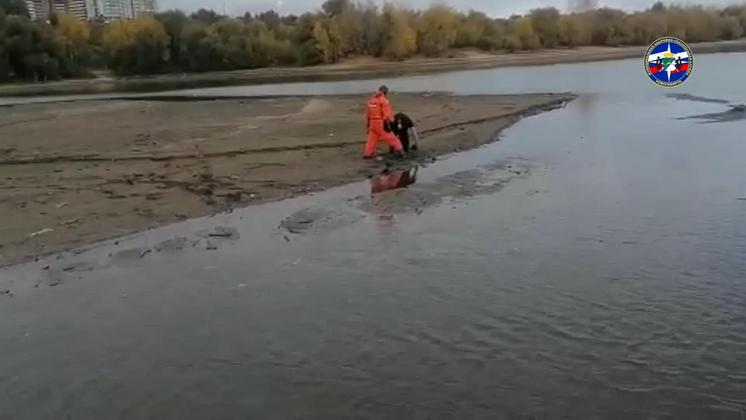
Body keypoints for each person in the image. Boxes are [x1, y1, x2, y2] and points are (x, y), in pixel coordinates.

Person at [364, 86, 404, 159]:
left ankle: (367, 154)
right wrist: (391, 122)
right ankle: (401, 152)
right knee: (392, 139)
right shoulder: (384, 101)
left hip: (372, 123)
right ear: (386, 92)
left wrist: (368, 125)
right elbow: (387, 114)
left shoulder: (370, 101)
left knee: (371, 141)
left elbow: (367, 115)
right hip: (381, 123)